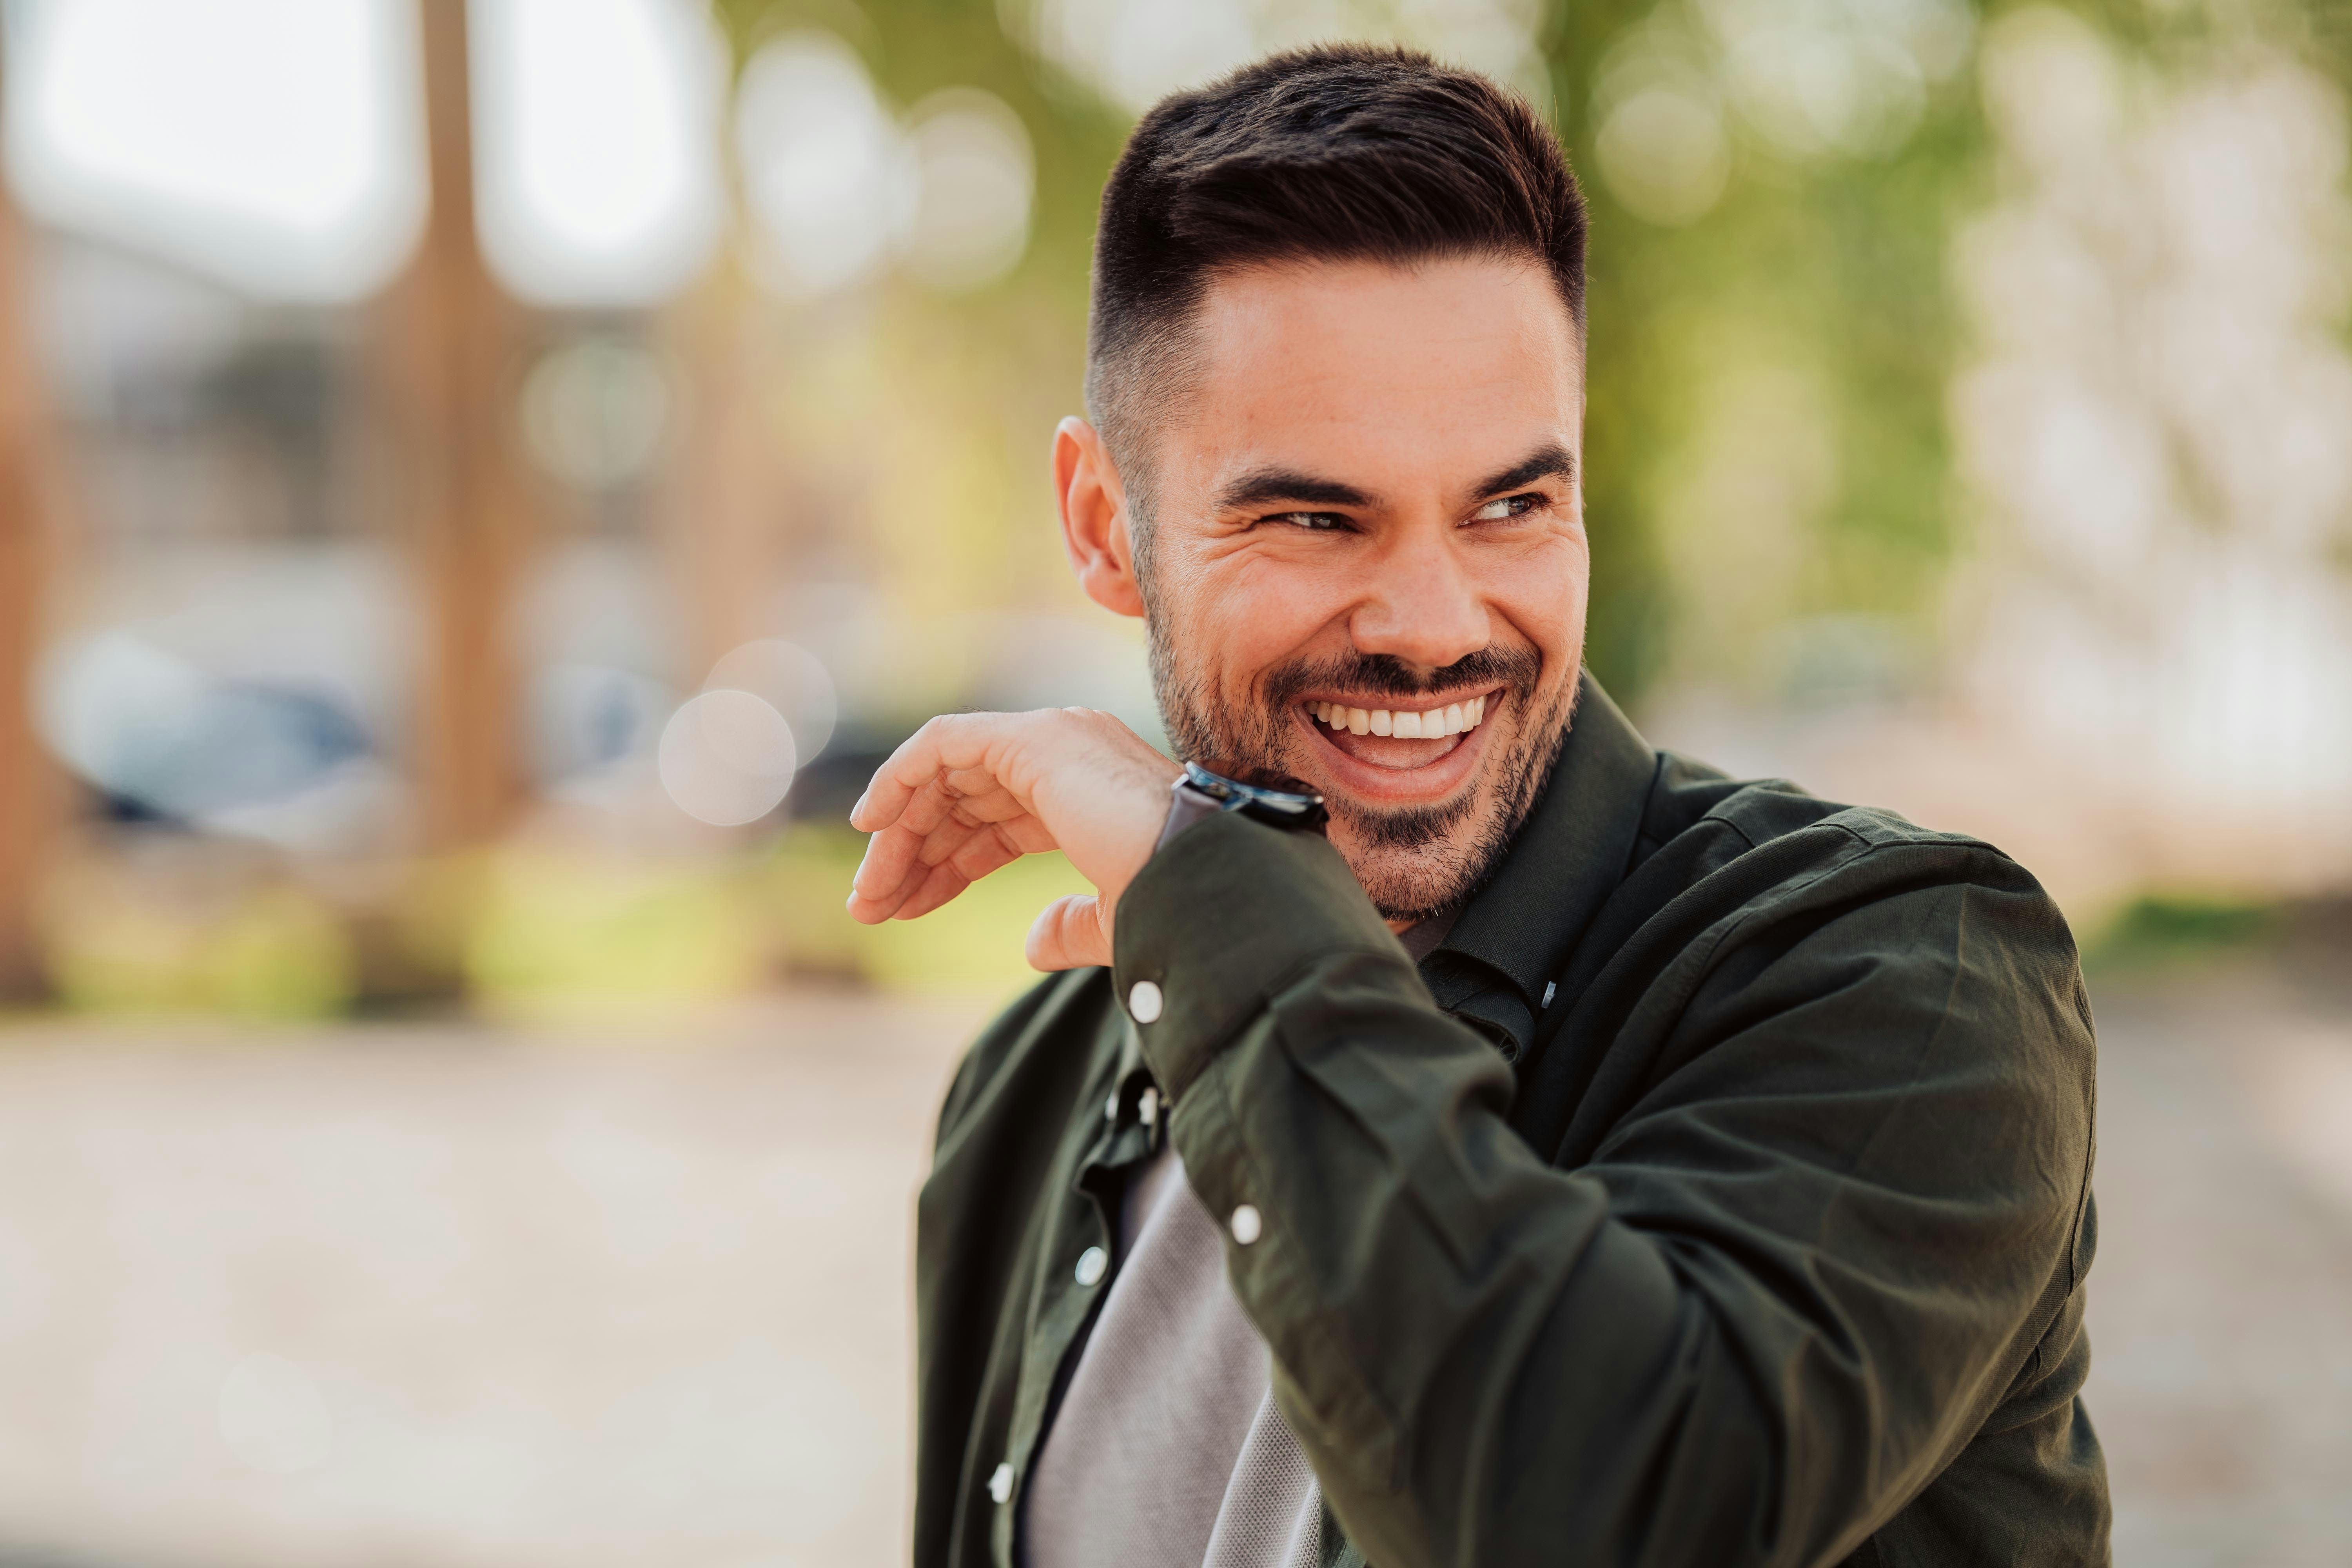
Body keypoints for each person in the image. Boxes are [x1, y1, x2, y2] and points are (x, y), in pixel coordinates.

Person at [848, 44, 2108, 1568]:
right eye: (1315, 516)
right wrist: (1218, 925)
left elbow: (1588, 1512)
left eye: (1512, 505)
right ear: (1108, 528)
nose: (1436, 622)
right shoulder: (1033, 1088)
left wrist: (1212, 902)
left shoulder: (1907, 981)